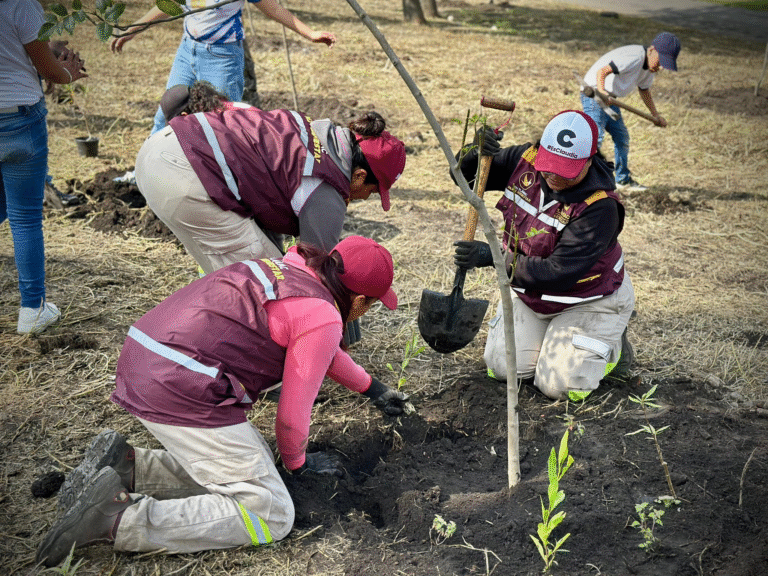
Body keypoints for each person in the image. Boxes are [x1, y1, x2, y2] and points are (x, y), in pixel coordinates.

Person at [36, 235, 410, 567]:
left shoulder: (289, 268)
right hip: (180, 385)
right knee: (271, 512)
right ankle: (116, 520)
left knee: (252, 465)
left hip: (148, 357)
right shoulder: (323, 316)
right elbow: (292, 420)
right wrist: (298, 464)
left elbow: (318, 348)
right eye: (373, 305)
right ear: (360, 300)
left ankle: (130, 469)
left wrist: (372, 389)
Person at [452, 110, 635, 401]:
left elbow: (558, 272)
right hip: (531, 293)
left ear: (588, 161)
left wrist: (495, 258)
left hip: (586, 298)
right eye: (549, 166)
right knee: (503, 368)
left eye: (566, 170)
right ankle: (554, 338)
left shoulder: (600, 208)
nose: (553, 177)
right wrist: (475, 152)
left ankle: (614, 348)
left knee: (559, 386)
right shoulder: (526, 159)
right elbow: (467, 177)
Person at [135, 106, 406, 275]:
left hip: (160, 150)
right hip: (188, 175)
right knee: (272, 287)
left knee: (229, 278)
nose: (363, 198)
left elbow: (266, 198)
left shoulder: (311, 131)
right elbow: (315, 275)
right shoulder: (327, 192)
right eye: (371, 191)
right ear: (359, 176)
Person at [110, 0, 336, 135]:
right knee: (166, 116)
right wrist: (134, 28)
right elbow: (171, 3)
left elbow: (273, 9)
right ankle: (151, 174)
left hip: (222, 58)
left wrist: (310, 33)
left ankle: (222, 187)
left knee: (222, 126)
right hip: (187, 51)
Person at [1, 0, 87, 334]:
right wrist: (69, 73)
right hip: (19, 121)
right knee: (24, 217)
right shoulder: (22, 5)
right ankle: (32, 309)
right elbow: (51, 72)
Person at [580, 32, 681, 192]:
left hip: (610, 98)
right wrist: (602, 92)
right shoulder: (633, 57)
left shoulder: (649, 68)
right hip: (594, 92)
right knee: (595, 138)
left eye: (665, 64)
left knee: (622, 137)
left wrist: (655, 115)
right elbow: (602, 72)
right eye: (661, 61)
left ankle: (622, 179)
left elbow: (644, 90)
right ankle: (583, 181)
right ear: (652, 50)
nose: (661, 67)